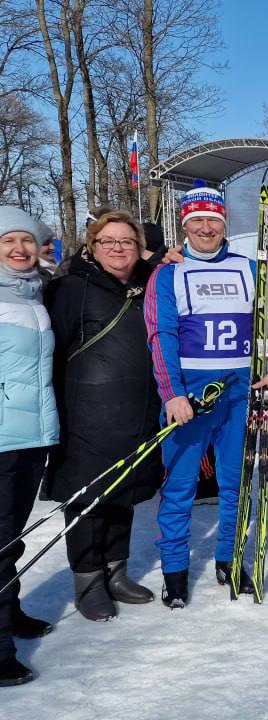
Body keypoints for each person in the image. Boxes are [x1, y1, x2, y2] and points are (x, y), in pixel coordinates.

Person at [145, 183, 268, 608]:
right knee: (180, 487)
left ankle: (230, 558)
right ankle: (174, 572)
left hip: (240, 393)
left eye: (214, 220)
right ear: (185, 225)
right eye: (197, 221)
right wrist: (172, 394)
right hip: (189, 396)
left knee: (235, 483)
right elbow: (161, 335)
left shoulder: (249, 269)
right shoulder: (169, 272)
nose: (206, 228)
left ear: (224, 223)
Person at [44, 210, 163, 622]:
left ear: (139, 248)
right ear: (92, 247)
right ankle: (88, 580)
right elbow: (52, 351)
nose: (117, 248)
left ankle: (116, 571)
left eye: (126, 242)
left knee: (123, 491)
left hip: (137, 408)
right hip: (85, 412)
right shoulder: (69, 288)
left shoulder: (148, 284)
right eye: (108, 241)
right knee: (87, 498)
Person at [0, 206, 58, 686]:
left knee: (10, 538)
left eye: (25, 240)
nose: (19, 250)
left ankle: (10, 613)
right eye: (7, 242)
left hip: (31, 434)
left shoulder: (34, 293)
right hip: (0, 437)